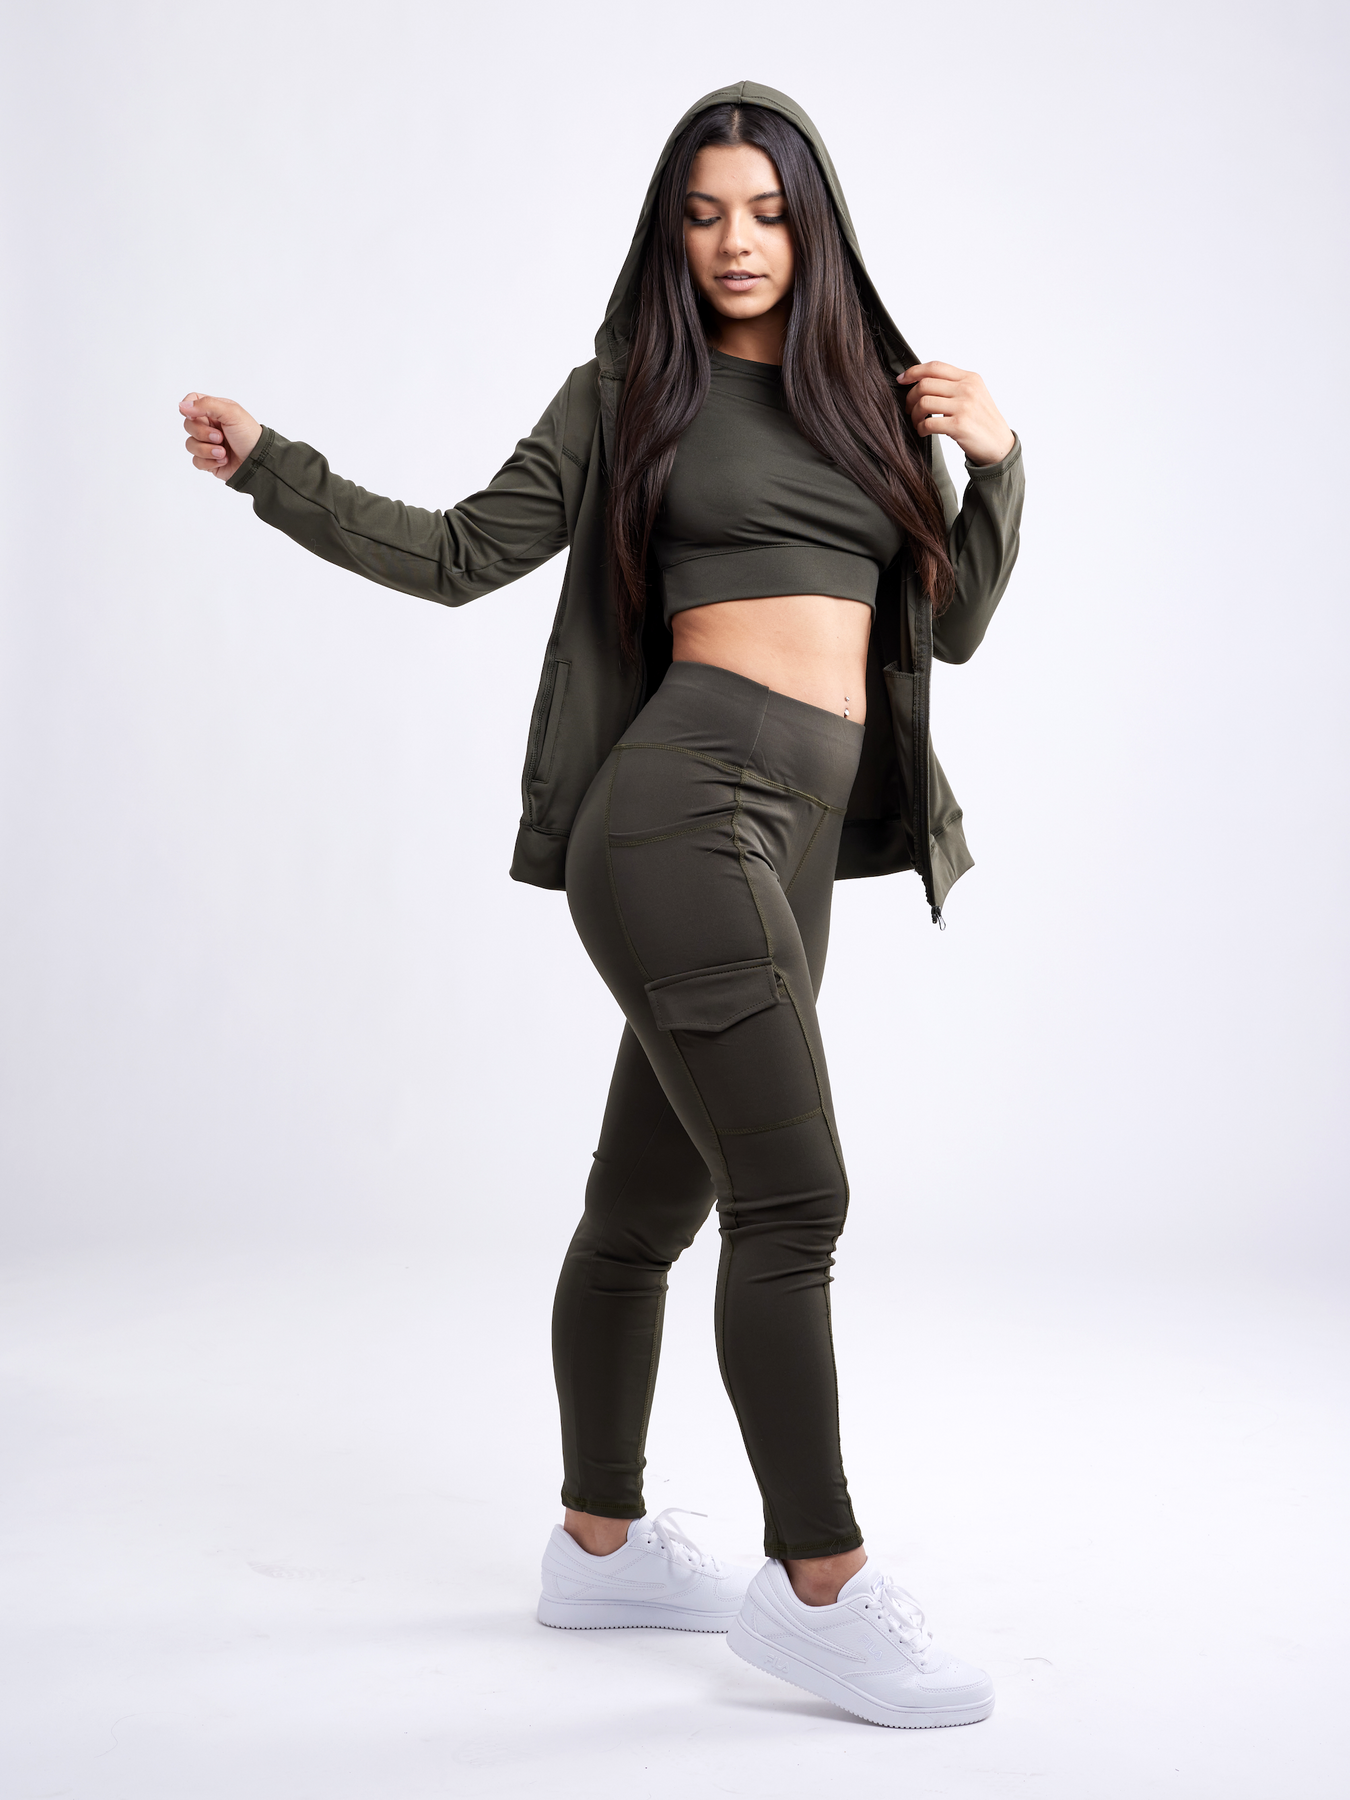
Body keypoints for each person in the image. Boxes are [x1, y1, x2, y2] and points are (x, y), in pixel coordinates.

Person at [179, 81, 1023, 1730]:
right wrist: (274, 468)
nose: (735, 243)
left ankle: (600, 1547)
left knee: (651, 1201)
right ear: (668, 231)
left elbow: (953, 623)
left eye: (764, 213)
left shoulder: (876, 401)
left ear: (813, 226)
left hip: (790, 841)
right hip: (675, 811)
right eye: (703, 214)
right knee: (795, 1197)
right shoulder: (629, 392)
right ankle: (817, 1584)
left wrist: (996, 461)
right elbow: (455, 553)